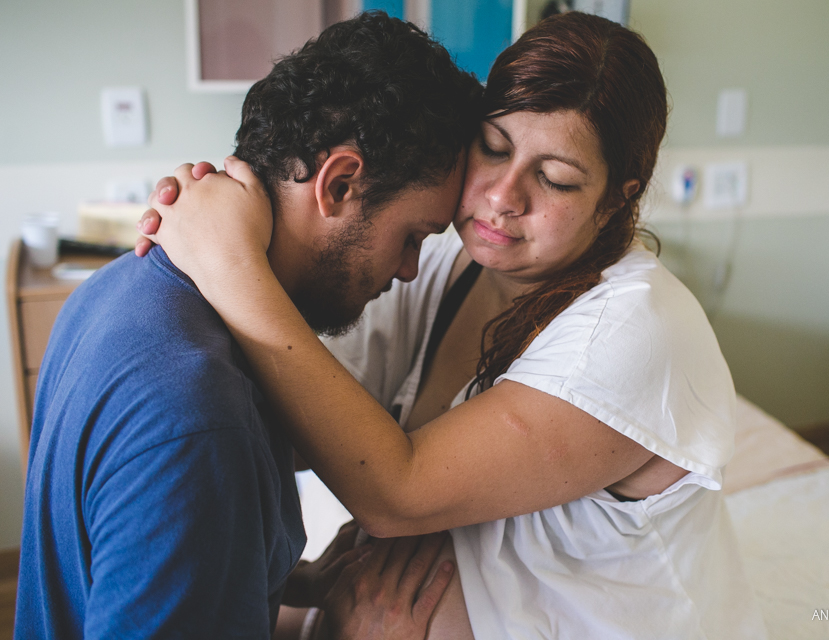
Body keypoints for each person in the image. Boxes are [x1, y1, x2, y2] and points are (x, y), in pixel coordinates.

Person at [142, 12, 768, 639]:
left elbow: (397, 492)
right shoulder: (447, 262)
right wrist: (214, 220)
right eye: (494, 148)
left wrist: (229, 263)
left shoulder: (637, 331)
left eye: (555, 180)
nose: (502, 196)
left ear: (615, 199)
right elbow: (310, 415)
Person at [15, 12, 482, 639]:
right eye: (412, 235)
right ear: (339, 184)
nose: (407, 270)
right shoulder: (200, 418)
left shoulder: (118, 286)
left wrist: (281, 577)